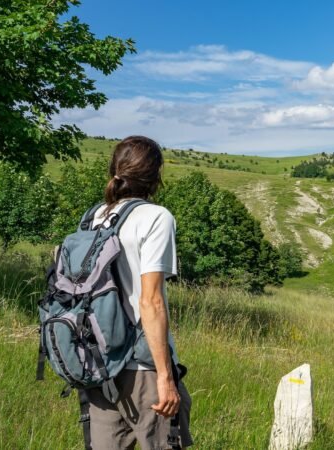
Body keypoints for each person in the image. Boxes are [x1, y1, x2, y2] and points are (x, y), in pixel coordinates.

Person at [86, 135, 193, 449]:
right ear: (156, 176)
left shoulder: (96, 217)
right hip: (140, 366)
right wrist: (165, 376)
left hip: (99, 360)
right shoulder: (156, 218)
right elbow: (150, 301)